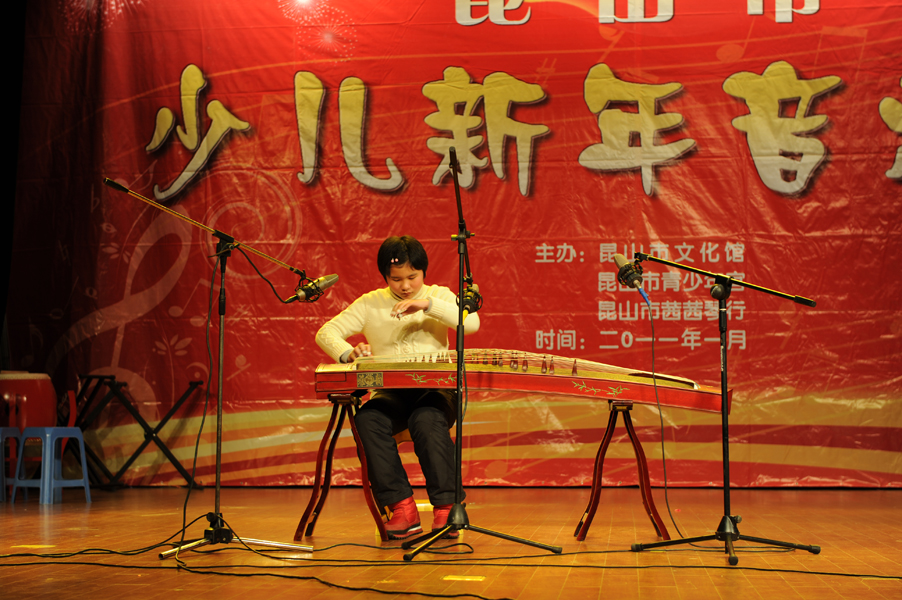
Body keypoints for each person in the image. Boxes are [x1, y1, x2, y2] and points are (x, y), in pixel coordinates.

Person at [315, 235, 480, 539]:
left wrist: (427, 305)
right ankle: (401, 507)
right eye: (396, 279)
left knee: (426, 419)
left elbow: (471, 324)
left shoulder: (438, 295)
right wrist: (349, 353)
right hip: (391, 395)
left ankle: (447, 506)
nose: (405, 286)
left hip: (436, 392)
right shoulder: (370, 303)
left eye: (412, 277)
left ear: (423, 272)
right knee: (368, 420)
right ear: (385, 277)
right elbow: (326, 333)